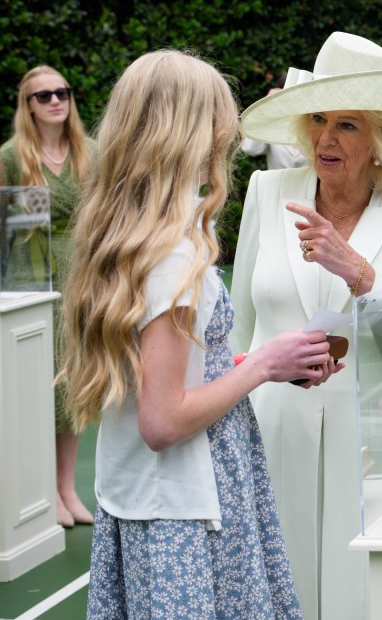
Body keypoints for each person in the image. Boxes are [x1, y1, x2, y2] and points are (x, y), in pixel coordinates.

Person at [60, 50, 331, 619]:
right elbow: (163, 421)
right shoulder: (173, 254)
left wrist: (244, 363)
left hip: (141, 496)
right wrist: (262, 365)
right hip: (183, 509)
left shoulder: (128, 238)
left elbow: (162, 377)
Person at [229, 32, 382, 620]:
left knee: (366, 594)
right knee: (281, 588)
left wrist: (359, 271)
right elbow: (238, 324)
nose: (326, 138)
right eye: (319, 119)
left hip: (373, 434)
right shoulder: (266, 191)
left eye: (348, 125)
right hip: (272, 430)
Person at [0, 65, 95, 528]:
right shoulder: (13, 156)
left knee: (70, 385)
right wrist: (17, 267)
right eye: (43, 95)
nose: (55, 100)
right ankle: (43, 490)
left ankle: (67, 488)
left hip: (80, 277)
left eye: (62, 92)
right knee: (35, 385)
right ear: (27, 105)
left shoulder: (89, 152)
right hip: (30, 281)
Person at [239, 76, 309, 170]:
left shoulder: (313, 124)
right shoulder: (272, 125)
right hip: (276, 184)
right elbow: (250, 148)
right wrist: (266, 105)